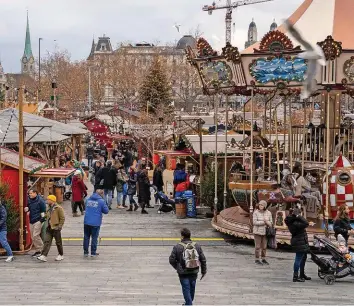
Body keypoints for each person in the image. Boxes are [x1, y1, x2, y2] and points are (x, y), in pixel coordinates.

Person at [169, 228, 207, 306]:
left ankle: (188, 304)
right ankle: (188, 302)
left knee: (186, 288)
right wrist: (203, 271)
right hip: (194, 271)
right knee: (192, 288)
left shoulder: (177, 246)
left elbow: (171, 260)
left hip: (183, 272)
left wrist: (178, 267)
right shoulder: (197, 245)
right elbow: (203, 259)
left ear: (182, 236)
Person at [285, 207, 314, 282]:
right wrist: (299, 216)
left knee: (303, 257)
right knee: (298, 258)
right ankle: (295, 276)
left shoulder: (292, 221)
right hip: (299, 242)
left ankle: (301, 274)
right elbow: (306, 223)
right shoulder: (295, 223)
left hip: (300, 241)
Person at [38, 195, 65, 262]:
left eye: (48, 199)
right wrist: (43, 217)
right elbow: (47, 215)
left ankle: (60, 254)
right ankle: (44, 255)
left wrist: (59, 227)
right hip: (49, 227)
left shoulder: (58, 208)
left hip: (56, 227)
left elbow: (62, 218)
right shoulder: (49, 208)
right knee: (47, 241)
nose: (47, 201)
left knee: (58, 242)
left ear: (52, 200)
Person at [83, 189, 109, 257]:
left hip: (87, 221)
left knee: (86, 237)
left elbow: (85, 207)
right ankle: (93, 252)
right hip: (95, 223)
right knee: (94, 238)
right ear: (101, 194)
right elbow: (106, 211)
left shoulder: (88, 199)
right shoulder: (101, 201)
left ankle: (85, 252)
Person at [25, 190, 46, 257]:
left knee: (35, 235)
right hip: (31, 220)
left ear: (35, 193)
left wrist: (41, 220)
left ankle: (42, 250)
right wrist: (27, 209)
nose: (29, 194)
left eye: (31, 193)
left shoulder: (40, 200)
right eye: (29, 193)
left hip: (38, 220)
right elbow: (28, 207)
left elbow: (43, 211)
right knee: (32, 236)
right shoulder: (29, 200)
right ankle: (38, 251)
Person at [253, 200, 273, 265]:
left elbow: (271, 223)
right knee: (257, 247)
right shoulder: (256, 212)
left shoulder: (269, 213)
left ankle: (263, 258)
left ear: (265, 206)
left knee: (264, 247)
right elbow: (254, 222)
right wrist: (264, 222)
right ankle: (257, 259)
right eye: (259, 205)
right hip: (257, 232)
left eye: (262, 205)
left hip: (265, 232)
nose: (260, 206)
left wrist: (267, 222)